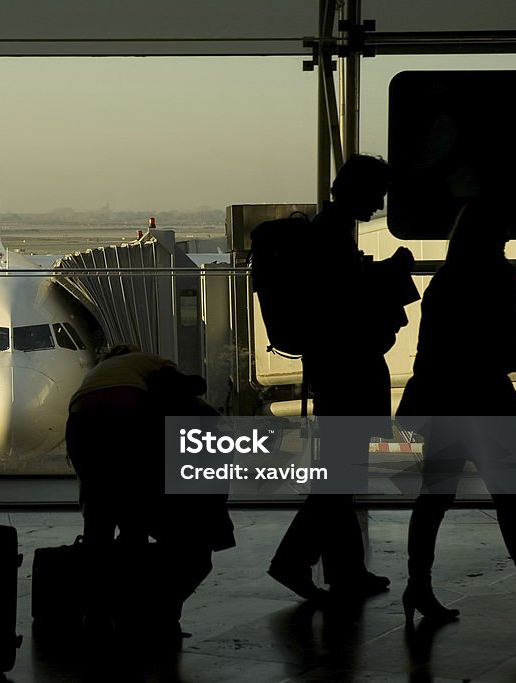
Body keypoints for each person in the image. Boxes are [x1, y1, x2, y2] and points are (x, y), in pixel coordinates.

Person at [398, 201, 516, 624]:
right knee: (512, 502)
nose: (508, 239)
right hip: (488, 400)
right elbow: (515, 347)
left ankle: (418, 585)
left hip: (447, 402)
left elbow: (434, 351)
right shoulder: (499, 275)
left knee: (434, 499)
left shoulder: (444, 281)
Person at [268, 154, 417, 601]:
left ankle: (345, 569)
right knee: (341, 477)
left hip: (333, 365)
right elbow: (346, 300)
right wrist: (392, 271)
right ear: (357, 191)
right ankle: (294, 561)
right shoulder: (332, 235)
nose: (379, 203)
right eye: (377, 194)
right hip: (347, 367)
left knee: (342, 474)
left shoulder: (327, 230)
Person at [65, 344, 235, 644]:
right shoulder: (153, 362)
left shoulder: (97, 374)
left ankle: (96, 615)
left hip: (80, 419)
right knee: (134, 522)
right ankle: (136, 614)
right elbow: (187, 389)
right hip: (127, 416)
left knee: (98, 522)